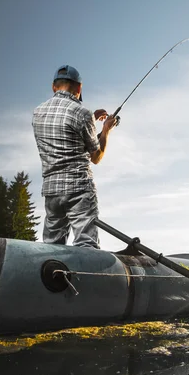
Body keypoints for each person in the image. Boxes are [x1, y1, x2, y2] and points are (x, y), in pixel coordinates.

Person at [32, 65, 118, 249]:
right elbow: (96, 157)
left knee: (52, 247)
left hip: (51, 191)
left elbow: (64, 134)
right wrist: (105, 131)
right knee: (86, 245)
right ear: (79, 88)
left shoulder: (37, 112)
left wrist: (92, 121)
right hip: (78, 189)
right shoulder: (82, 113)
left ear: (54, 87)